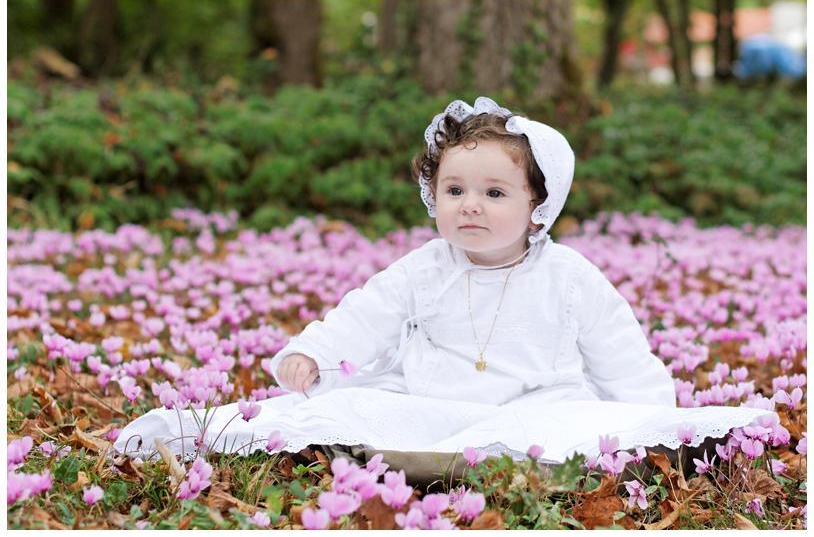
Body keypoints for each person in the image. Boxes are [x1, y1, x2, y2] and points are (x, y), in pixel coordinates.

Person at [115, 97, 773, 485]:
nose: (470, 207)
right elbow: (365, 314)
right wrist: (313, 351)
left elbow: (621, 353)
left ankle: (487, 464)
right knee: (358, 416)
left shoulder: (568, 275)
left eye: (494, 192)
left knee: (557, 432)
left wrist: (654, 421)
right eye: (454, 190)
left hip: (536, 406)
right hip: (430, 401)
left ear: (539, 205)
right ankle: (418, 459)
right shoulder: (429, 266)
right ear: (435, 195)